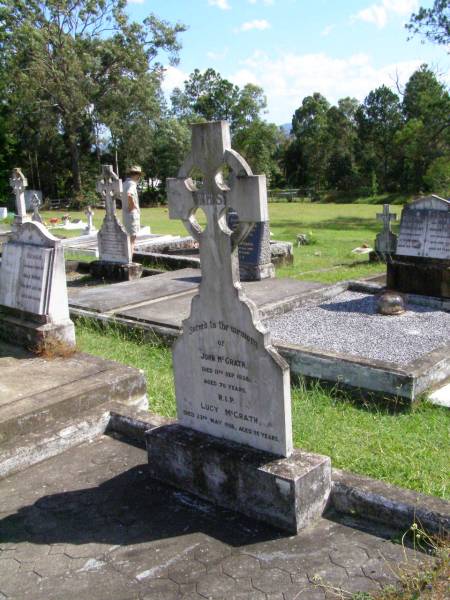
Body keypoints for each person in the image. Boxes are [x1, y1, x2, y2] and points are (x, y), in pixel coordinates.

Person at [122, 165, 142, 254]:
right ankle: (129, 261)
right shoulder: (132, 184)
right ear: (136, 175)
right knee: (132, 241)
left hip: (125, 214)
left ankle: (127, 259)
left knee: (128, 239)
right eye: (139, 175)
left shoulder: (124, 183)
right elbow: (129, 194)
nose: (139, 177)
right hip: (132, 214)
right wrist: (132, 206)